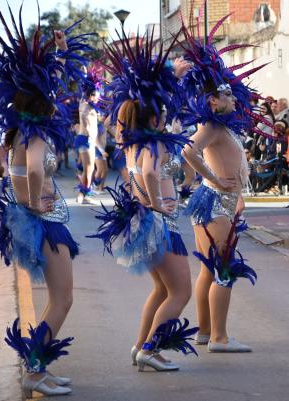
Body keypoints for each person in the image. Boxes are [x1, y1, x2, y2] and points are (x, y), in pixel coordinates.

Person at [0, 10, 92, 396]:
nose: (58, 101)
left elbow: (54, 87)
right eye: (51, 97)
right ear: (42, 104)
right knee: (64, 299)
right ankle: (34, 372)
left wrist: (59, 55)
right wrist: (34, 200)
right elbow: (30, 171)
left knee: (57, 300)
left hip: (37, 219)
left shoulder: (21, 131)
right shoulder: (35, 137)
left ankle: (37, 363)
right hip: (44, 221)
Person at [90, 29, 197, 371]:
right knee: (180, 293)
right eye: (163, 111)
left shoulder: (132, 140)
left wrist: (169, 77)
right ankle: (150, 350)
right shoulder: (156, 143)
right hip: (158, 222)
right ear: (155, 117)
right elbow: (151, 173)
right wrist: (155, 203)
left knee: (162, 290)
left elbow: (119, 116)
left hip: (144, 221)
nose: (168, 116)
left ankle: (141, 346)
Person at [180, 15, 266, 353]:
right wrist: (214, 178)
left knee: (207, 270)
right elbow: (189, 150)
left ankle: (205, 331)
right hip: (215, 201)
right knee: (223, 268)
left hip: (215, 201)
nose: (233, 96)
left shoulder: (221, 125)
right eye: (226, 93)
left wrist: (237, 194)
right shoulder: (213, 125)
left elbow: (231, 164)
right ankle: (219, 337)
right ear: (214, 101)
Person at [74, 65, 103, 204]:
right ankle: (83, 194)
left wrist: (85, 76)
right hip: (86, 139)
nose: (98, 98)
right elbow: (85, 116)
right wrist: (90, 133)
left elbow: (83, 89)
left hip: (85, 139)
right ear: (91, 95)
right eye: (97, 96)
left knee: (89, 169)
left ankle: (84, 194)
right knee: (89, 168)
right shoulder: (86, 105)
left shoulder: (86, 102)